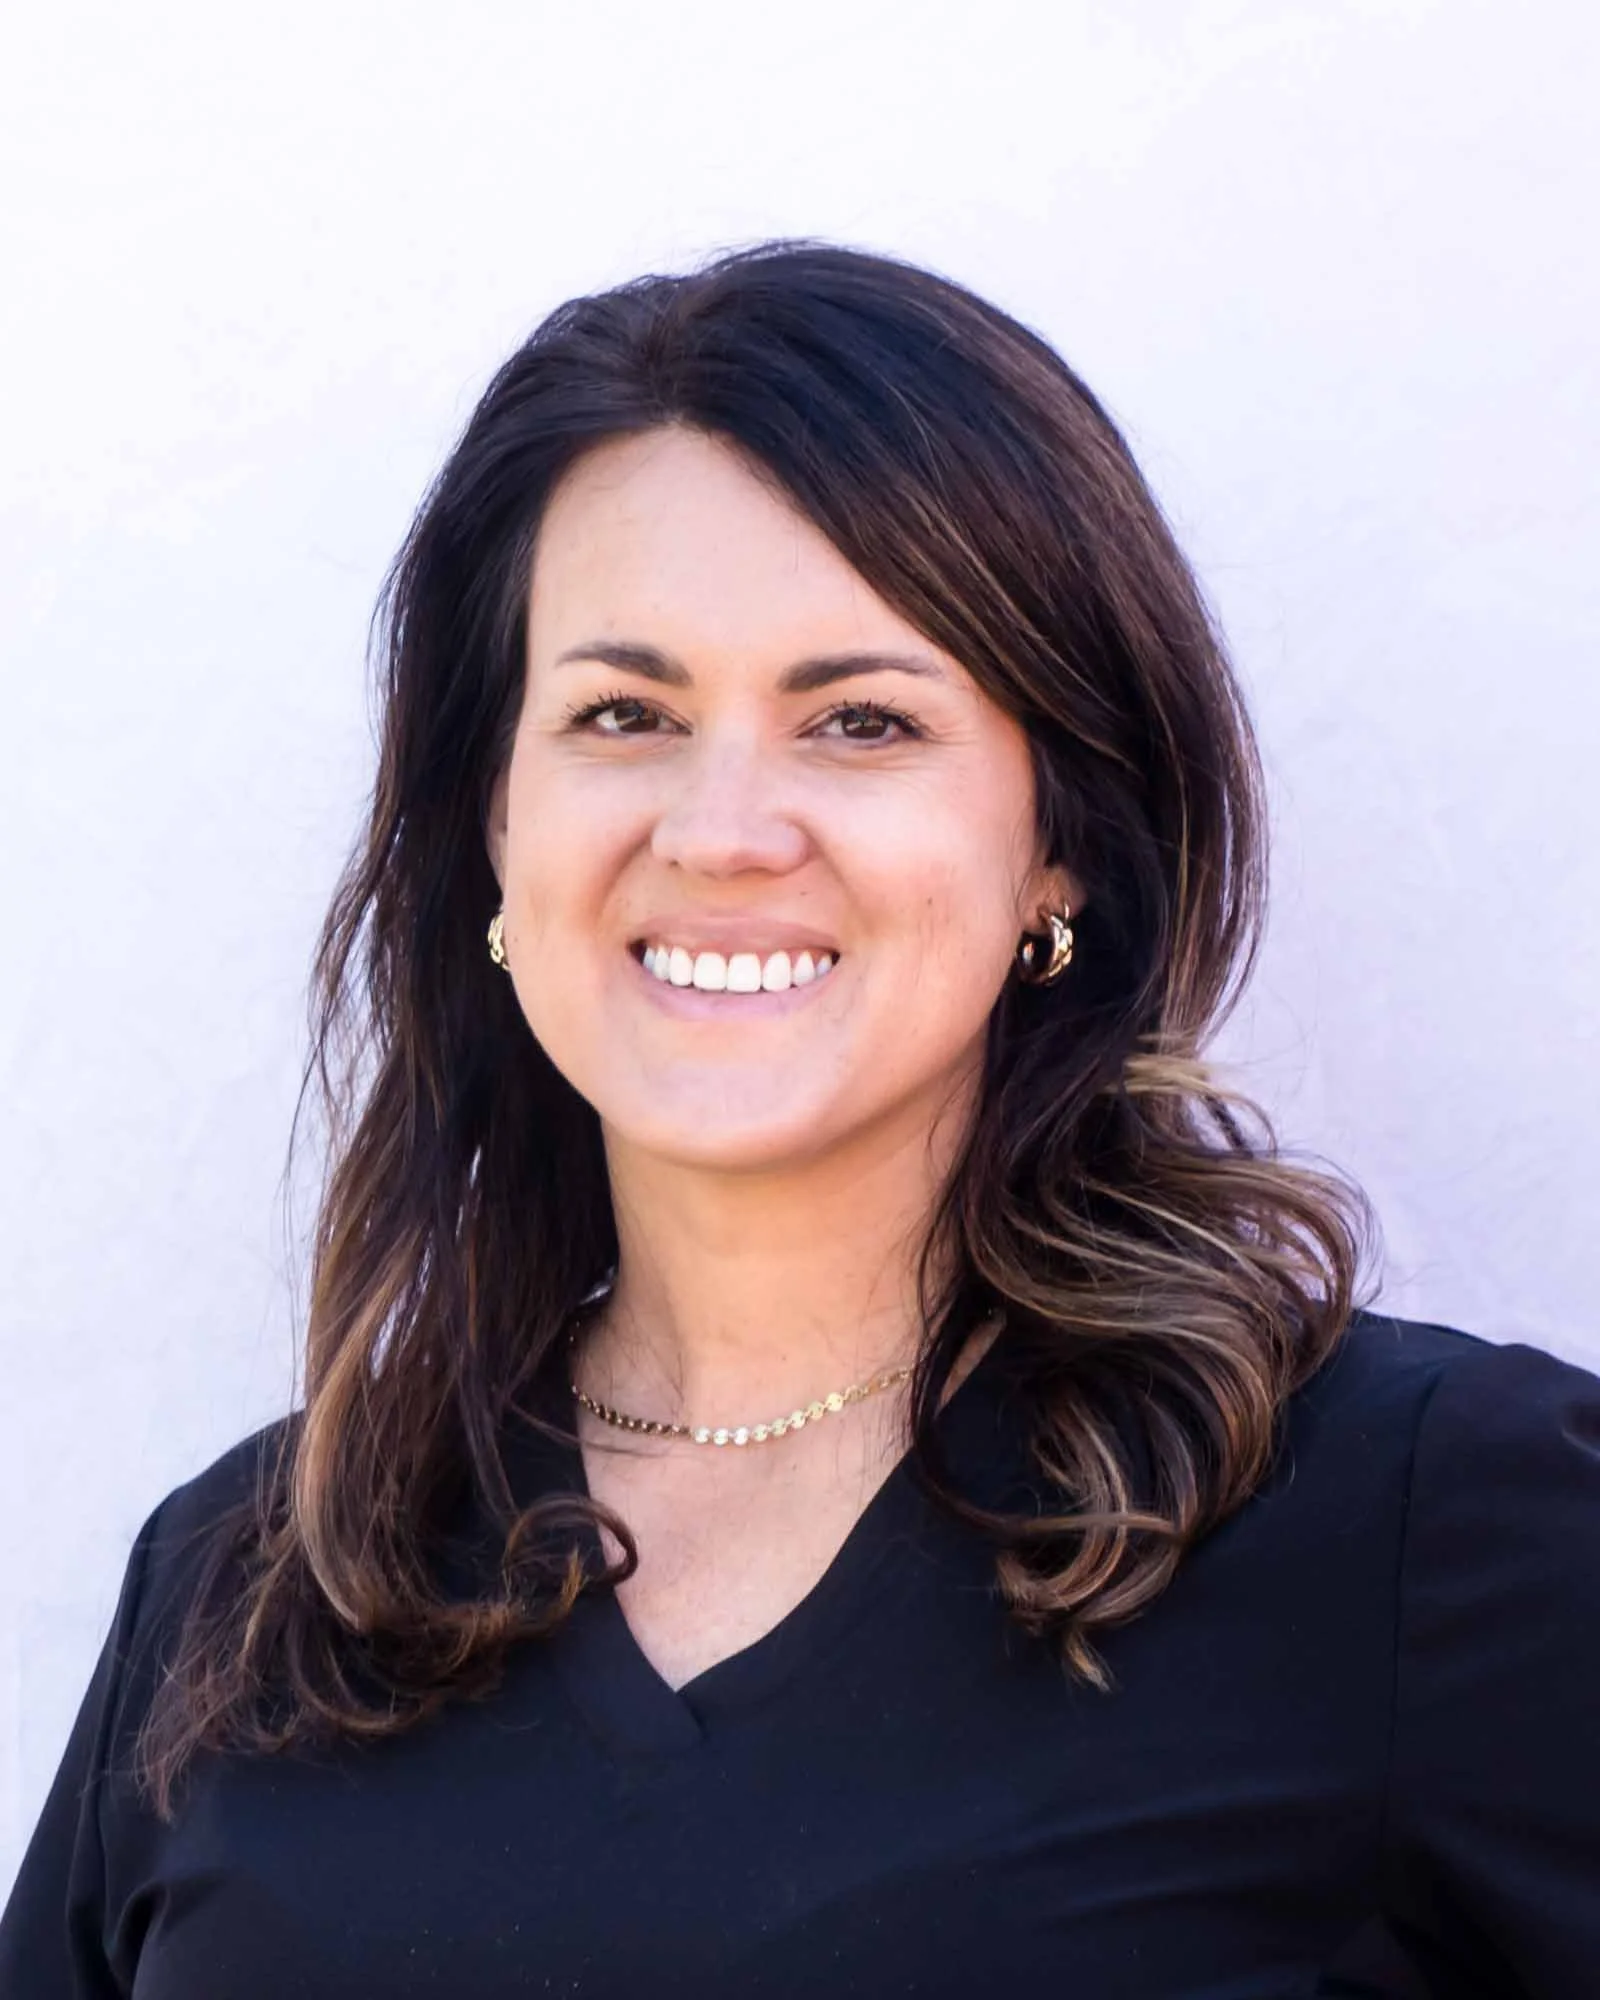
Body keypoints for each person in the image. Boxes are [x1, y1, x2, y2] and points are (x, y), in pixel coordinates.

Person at [2, 238, 1596, 1998]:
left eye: (859, 722)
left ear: (1060, 842)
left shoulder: (1428, 1532)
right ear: (496, 827)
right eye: (625, 713)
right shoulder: (245, 1589)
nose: (722, 830)